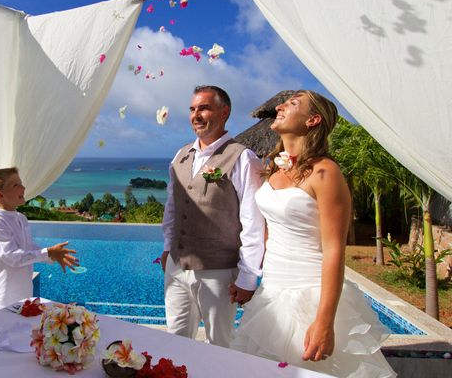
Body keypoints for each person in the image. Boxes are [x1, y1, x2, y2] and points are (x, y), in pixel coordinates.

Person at [231, 90, 396, 377]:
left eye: (292, 103)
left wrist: (324, 321)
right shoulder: (274, 168)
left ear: (313, 120)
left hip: (307, 295)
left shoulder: (325, 172)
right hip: (271, 291)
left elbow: (334, 250)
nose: (279, 106)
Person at [161, 85, 266, 348]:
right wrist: (167, 247)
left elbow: (253, 220)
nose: (196, 114)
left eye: (204, 108)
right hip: (177, 267)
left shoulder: (243, 157)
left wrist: (248, 277)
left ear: (224, 112)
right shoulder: (180, 155)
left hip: (219, 271)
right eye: (193, 109)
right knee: (175, 341)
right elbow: (172, 208)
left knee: (220, 345)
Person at [0, 167, 79, 310]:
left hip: (21, 292)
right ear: (0, 195)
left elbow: (28, 248)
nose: (23, 188)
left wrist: (53, 256)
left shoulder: (20, 218)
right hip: (2, 296)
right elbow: (14, 257)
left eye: (21, 183)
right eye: (16, 185)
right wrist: (48, 252)